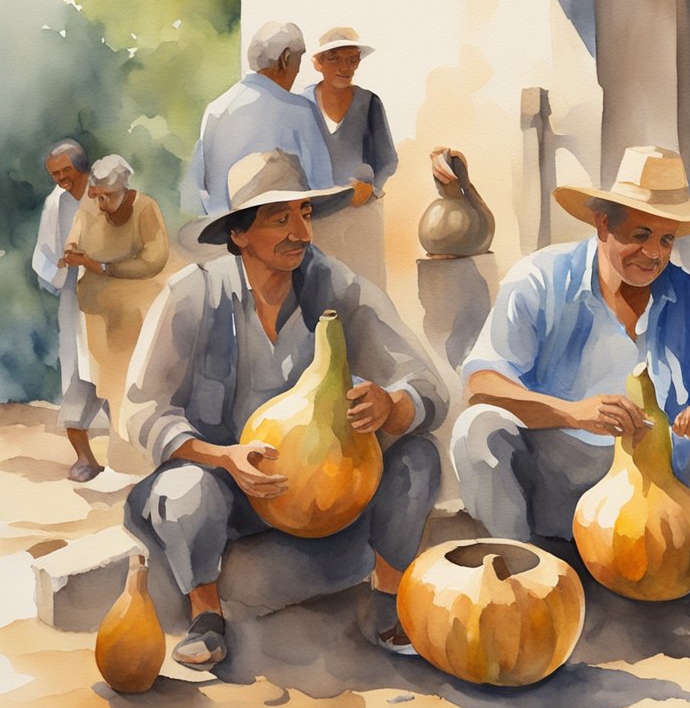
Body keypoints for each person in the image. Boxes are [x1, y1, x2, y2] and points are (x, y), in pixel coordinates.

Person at [123, 149, 447, 669]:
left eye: (306, 215)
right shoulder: (191, 296)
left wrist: (394, 404)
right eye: (281, 219)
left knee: (419, 457)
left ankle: (389, 599)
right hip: (226, 485)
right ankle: (207, 615)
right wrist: (223, 456)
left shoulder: (335, 285)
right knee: (182, 490)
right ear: (239, 235)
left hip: (327, 492)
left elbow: (428, 384)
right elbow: (141, 412)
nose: (302, 232)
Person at [451, 146, 690, 620]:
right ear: (603, 225)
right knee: (477, 429)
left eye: (667, 240)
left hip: (668, 486)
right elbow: (483, 382)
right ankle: (524, 593)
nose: (654, 253)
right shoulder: (542, 278)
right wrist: (571, 412)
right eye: (641, 235)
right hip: (565, 476)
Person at [61, 155, 169, 452]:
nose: (100, 204)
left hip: (134, 314)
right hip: (93, 310)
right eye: (96, 196)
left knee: (128, 383)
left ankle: (131, 455)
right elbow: (75, 238)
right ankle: (94, 454)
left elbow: (154, 260)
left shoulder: (145, 208)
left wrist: (104, 267)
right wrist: (72, 252)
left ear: (125, 190)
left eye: (107, 197)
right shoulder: (90, 206)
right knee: (93, 379)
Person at [182, 21, 334, 217]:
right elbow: (323, 189)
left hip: (226, 232)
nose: (297, 71)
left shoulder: (215, 109)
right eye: (299, 60)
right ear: (285, 58)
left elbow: (202, 186)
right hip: (284, 233)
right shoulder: (299, 110)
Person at [31, 140, 106, 481]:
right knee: (77, 367)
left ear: (83, 167)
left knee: (120, 365)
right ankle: (85, 458)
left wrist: (101, 264)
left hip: (115, 289)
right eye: (55, 173)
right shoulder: (55, 202)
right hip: (74, 294)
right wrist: (61, 270)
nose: (61, 179)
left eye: (66, 171)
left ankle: (132, 458)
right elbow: (44, 253)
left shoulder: (107, 189)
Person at [303, 27, 398, 288]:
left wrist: (373, 189)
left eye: (352, 59)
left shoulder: (369, 102)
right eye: (334, 58)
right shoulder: (300, 105)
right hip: (318, 215)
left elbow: (388, 158)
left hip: (362, 212)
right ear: (317, 63)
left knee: (366, 288)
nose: (345, 67)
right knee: (321, 289)